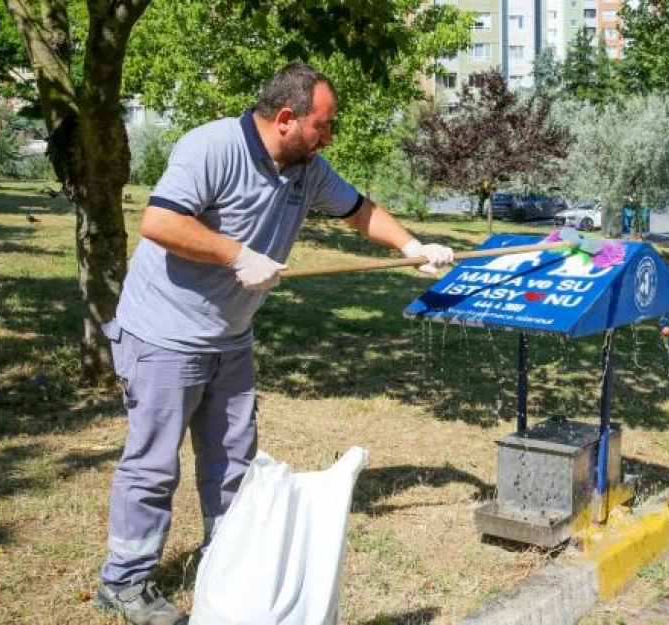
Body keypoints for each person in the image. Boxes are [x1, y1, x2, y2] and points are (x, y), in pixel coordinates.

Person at [93, 63, 454, 625]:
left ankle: (226, 558)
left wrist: (414, 244)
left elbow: (360, 211)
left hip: (231, 338)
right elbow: (158, 223)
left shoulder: (305, 168)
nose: (328, 137)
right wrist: (236, 254)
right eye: (323, 125)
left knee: (233, 459)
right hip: (163, 335)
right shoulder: (210, 147)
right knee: (153, 464)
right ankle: (125, 581)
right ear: (286, 119)